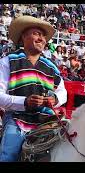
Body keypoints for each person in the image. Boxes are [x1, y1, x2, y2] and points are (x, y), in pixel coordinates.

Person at [0, 16, 67, 162]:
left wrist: (55, 99)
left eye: (43, 36)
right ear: (24, 36)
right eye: (36, 33)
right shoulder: (7, 62)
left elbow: (63, 93)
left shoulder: (52, 67)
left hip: (47, 121)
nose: (41, 39)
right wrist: (25, 102)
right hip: (17, 118)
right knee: (8, 156)